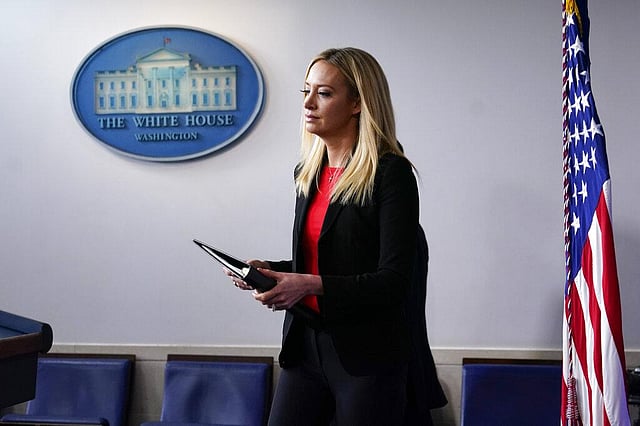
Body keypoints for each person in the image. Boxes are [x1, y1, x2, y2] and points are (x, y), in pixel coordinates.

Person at [227, 47, 446, 425]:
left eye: (324, 93)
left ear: (358, 103)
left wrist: (307, 284)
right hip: (305, 346)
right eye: (306, 91)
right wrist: (272, 271)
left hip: (366, 355)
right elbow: (329, 260)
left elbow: (393, 281)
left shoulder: (390, 174)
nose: (308, 103)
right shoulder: (307, 173)